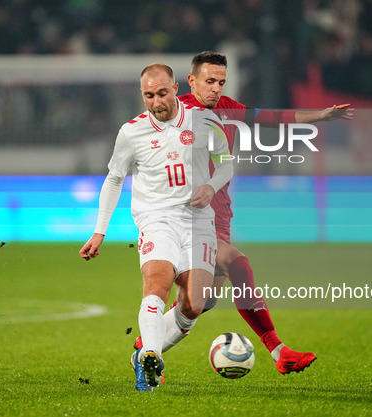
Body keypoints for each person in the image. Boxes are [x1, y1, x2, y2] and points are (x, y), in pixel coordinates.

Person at [135, 51, 353, 375]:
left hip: (220, 216)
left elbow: (274, 118)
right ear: (191, 81)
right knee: (237, 264)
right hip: (187, 219)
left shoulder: (229, 109)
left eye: (221, 82)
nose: (216, 89)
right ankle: (279, 351)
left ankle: (145, 349)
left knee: (201, 302)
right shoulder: (174, 113)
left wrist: (320, 116)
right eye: (209, 81)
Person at [79, 63, 233, 390]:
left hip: (197, 220)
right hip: (155, 218)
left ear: (176, 88)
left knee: (195, 303)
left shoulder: (205, 120)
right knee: (158, 282)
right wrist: (99, 231)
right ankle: (151, 358)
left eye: (162, 93)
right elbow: (115, 179)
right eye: (148, 95)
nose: (156, 102)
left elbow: (226, 164)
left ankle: (145, 355)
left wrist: (211, 187)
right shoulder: (131, 132)